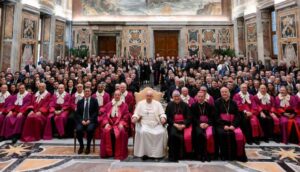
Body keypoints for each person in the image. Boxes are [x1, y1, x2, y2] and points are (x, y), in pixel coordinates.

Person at [132, 90, 167, 160]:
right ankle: (145, 153)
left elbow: (162, 113)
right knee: (144, 132)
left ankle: (157, 155)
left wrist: (163, 118)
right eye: (147, 96)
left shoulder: (157, 104)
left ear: (153, 97)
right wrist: (135, 117)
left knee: (161, 132)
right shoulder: (140, 104)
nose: (149, 97)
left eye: (150, 96)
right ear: (145, 96)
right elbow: (136, 113)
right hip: (144, 124)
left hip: (156, 124)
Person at [215, 87, 247, 162]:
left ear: (229, 92)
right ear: (220, 93)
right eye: (222, 92)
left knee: (239, 135)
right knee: (222, 134)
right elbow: (215, 116)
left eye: (226, 92)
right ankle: (224, 155)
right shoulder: (217, 102)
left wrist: (233, 125)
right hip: (221, 124)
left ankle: (237, 155)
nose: (224, 93)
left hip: (232, 124)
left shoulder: (234, 102)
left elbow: (237, 116)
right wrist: (223, 125)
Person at [100, 90, 130, 160]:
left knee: (121, 131)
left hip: (119, 123)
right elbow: (104, 115)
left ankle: (119, 153)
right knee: (105, 131)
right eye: (115, 95)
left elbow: (126, 116)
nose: (117, 96)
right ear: (113, 96)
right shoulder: (109, 104)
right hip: (110, 123)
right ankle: (108, 153)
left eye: (118, 95)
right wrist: (106, 123)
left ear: (120, 96)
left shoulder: (124, 105)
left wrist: (122, 123)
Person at [166, 90, 192, 162]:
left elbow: (189, 117)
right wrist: (175, 125)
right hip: (174, 124)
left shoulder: (185, 105)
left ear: (180, 96)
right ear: (172, 97)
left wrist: (184, 125)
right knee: (173, 135)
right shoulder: (169, 105)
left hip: (184, 125)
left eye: (178, 96)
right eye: (175, 96)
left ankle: (184, 155)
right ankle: (173, 156)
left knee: (187, 136)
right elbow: (168, 117)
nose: (176, 98)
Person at [191, 91, 215, 161]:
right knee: (199, 134)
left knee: (210, 135)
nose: (200, 98)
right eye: (199, 96)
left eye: (202, 96)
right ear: (196, 97)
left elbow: (212, 117)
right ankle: (199, 154)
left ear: (204, 97)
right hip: (198, 125)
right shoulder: (193, 106)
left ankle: (208, 154)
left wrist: (207, 123)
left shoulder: (209, 106)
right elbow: (193, 117)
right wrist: (199, 124)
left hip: (208, 125)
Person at [75, 87, 99, 154]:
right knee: (78, 130)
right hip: (82, 121)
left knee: (90, 129)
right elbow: (78, 113)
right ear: (84, 92)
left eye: (88, 91)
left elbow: (96, 112)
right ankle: (81, 146)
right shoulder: (80, 102)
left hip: (91, 121)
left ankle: (88, 146)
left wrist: (90, 120)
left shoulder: (94, 101)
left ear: (91, 92)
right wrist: (81, 120)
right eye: (86, 91)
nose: (87, 92)